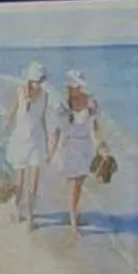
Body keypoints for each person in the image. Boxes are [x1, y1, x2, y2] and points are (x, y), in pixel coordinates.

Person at [0, 61, 55, 227]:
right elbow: (14, 110)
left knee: (34, 181)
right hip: (20, 140)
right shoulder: (20, 91)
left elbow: (42, 118)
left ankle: (31, 215)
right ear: (30, 80)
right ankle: (17, 209)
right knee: (20, 180)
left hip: (37, 140)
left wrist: (47, 141)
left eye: (41, 80)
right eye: (37, 80)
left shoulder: (45, 95)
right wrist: (7, 124)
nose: (39, 84)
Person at [56, 69, 103, 236]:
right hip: (70, 146)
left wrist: (101, 144)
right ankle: (73, 220)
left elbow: (96, 125)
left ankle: (74, 213)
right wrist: (54, 150)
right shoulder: (63, 105)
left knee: (79, 183)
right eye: (74, 86)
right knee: (74, 185)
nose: (76, 88)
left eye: (78, 86)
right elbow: (60, 129)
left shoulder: (91, 102)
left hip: (85, 146)